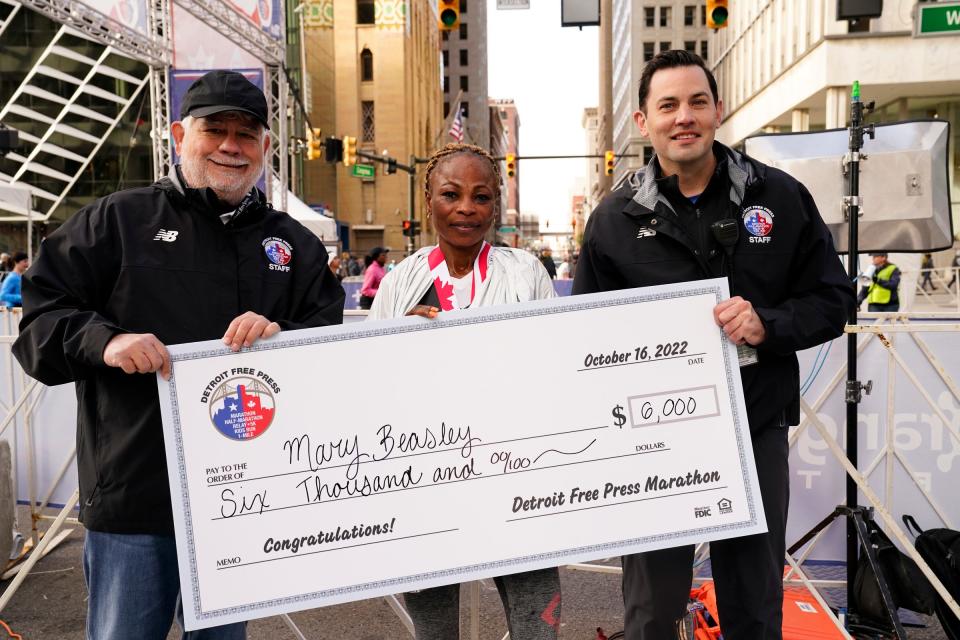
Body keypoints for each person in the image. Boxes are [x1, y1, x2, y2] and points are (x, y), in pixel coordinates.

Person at [12, 69, 345, 640]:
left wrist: (282, 337)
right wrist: (107, 341)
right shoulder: (117, 221)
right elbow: (39, 323)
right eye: (215, 130)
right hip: (135, 497)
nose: (230, 147)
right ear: (176, 135)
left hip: (241, 501)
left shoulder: (293, 244)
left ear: (266, 147)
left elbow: (333, 349)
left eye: (246, 135)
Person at [573, 50, 854, 640]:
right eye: (667, 105)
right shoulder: (613, 221)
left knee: (753, 606)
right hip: (653, 441)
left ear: (718, 110)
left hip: (753, 429)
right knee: (651, 613)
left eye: (697, 102)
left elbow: (834, 302)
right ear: (642, 121)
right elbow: (584, 340)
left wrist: (767, 324)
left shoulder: (780, 197)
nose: (684, 117)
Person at [368, 143, 560, 640]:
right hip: (428, 478)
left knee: (536, 619)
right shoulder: (400, 282)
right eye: (451, 194)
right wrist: (397, 341)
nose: (466, 209)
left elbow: (553, 364)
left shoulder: (525, 272)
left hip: (516, 470)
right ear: (428, 198)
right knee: (434, 627)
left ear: (496, 205)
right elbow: (367, 378)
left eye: (482, 197)